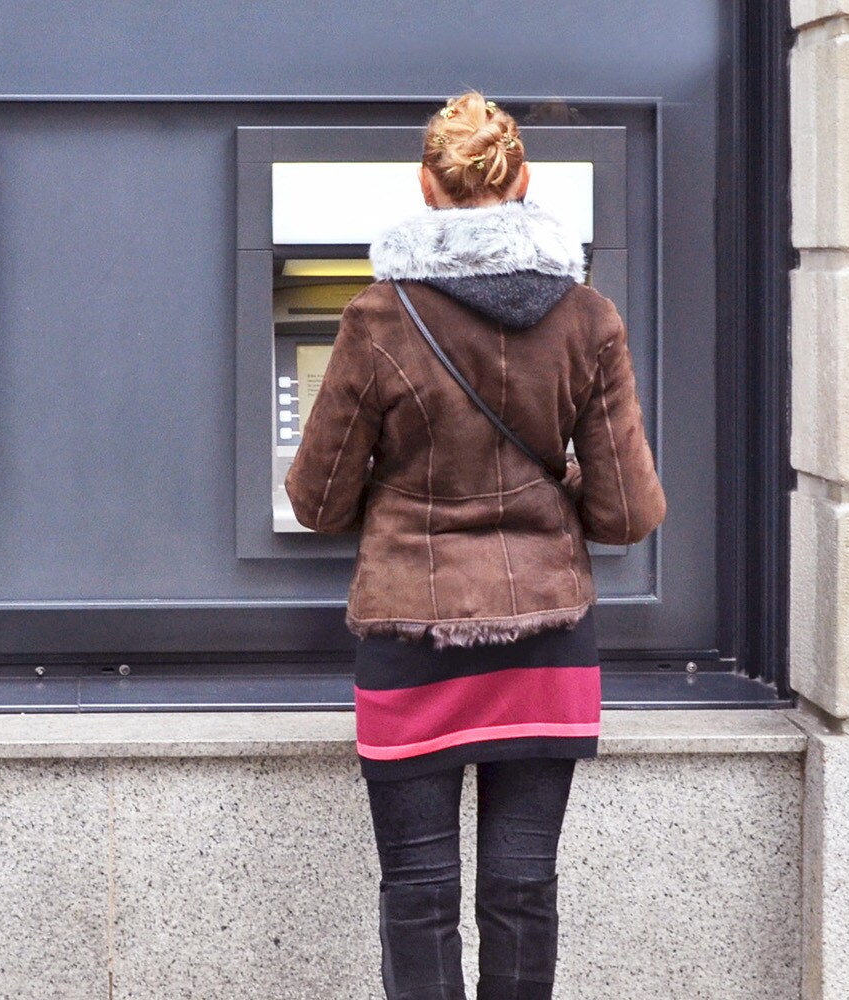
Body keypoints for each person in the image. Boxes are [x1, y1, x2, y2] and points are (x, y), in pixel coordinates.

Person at [284, 92, 666, 1000]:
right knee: (523, 889)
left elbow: (317, 500)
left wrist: (402, 483)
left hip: (413, 637)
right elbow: (624, 514)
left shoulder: (377, 320)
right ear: (524, 181)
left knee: (418, 891)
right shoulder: (588, 319)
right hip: (545, 638)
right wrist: (558, 485)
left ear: (426, 187)